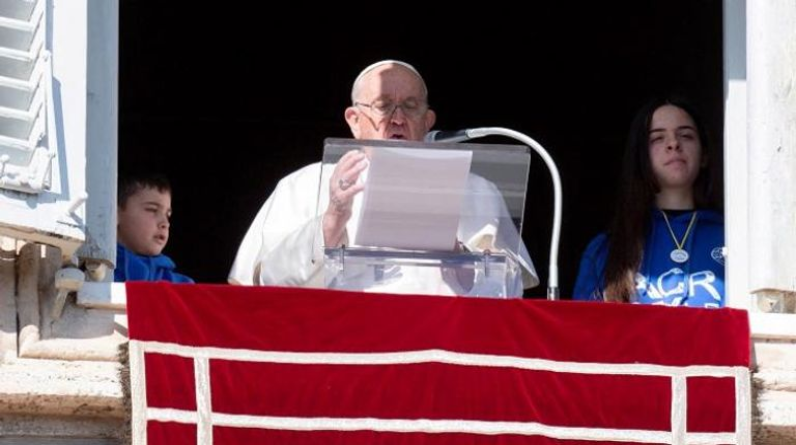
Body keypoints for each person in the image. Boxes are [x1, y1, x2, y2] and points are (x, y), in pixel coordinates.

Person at [229, 59, 538, 295]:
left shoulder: (477, 190)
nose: (398, 119)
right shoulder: (304, 185)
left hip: (439, 356)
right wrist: (333, 219)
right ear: (354, 120)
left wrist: (458, 259)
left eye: (410, 107)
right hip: (342, 355)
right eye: (383, 106)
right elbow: (261, 282)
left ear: (427, 121)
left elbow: (509, 292)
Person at [573, 96, 724, 307]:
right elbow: (584, 332)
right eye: (657, 138)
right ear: (641, 157)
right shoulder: (605, 250)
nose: (673, 143)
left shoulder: (735, 240)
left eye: (686, 135)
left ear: (705, 154)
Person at [115, 173, 193, 283]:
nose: (165, 223)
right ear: (115, 214)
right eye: (152, 210)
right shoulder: (94, 277)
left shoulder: (182, 286)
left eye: (168, 215)